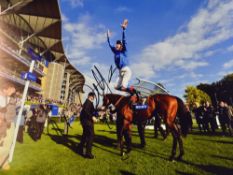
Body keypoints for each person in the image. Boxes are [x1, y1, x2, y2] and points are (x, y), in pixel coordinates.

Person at [107, 19, 137, 99]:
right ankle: (129, 92)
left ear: (121, 46)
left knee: (123, 87)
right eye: (117, 44)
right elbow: (110, 44)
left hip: (126, 70)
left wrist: (124, 30)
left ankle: (132, 91)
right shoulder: (115, 51)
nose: (117, 45)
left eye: (119, 44)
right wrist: (108, 37)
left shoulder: (124, 51)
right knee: (116, 87)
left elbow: (124, 41)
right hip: (120, 72)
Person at [77, 92, 97, 159]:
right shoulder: (88, 102)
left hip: (85, 121)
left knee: (85, 135)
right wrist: (92, 117)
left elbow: (93, 111)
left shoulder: (89, 102)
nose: (93, 98)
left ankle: (80, 147)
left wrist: (100, 110)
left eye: (93, 97)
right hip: (87, 121)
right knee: (91, 135)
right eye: (92, 97)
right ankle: (88, 153)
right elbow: (86, 111)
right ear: (90, 96)